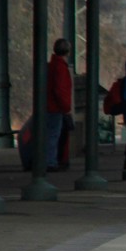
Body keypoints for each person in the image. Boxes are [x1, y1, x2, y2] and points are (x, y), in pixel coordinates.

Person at [46, 38, 72, 172]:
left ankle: (51, 160)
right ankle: (50, 162)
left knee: (51, 134)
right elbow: (60, 89)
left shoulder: (51, 65)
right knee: (53, 135)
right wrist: (66, 107)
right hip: (56, 107)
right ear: (67, 51)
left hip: (49, 105)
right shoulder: (61, 67)